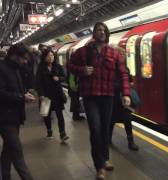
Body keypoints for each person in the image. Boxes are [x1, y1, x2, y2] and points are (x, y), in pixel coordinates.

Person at [67, 22, 131, 180]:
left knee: (104, 129)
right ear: (94, 34)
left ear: (107, 34)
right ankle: (100, 166)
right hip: (90, 96)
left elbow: (123, 74)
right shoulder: (83, 52)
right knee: (95, 129)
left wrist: (126, 94)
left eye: (104, 30)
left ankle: (105, 157)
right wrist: (82, 70)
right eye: (98, 30)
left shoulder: (114, 53)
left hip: (108, 96)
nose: (101, 32)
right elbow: (69, 65)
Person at [0, 43, 35, 180]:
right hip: (4, 117)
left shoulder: (15, 68)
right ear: (14, 56)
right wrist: (21, 97)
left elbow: (13, 88)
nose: (25, 62)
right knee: (16, 151)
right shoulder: (1, 68)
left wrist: (25, 93)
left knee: (8, 151)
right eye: (24, 58)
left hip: (14, 116)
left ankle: (5, 176)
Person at [35, 49, 69, 142]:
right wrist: (41, 94)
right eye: (48, 56)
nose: (51, 57)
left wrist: (59, 78)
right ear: (44, 57)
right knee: (46, 115)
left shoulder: (58, 66)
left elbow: (64, 77)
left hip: (57, 94)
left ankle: (63, 134)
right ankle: (49, 131)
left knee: (60, 114)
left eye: (52, 55)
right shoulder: (40, 68)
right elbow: (38, 82)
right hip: (46, 95)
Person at [109, 67, 139, 151]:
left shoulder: (125, 69)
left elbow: (130, 80)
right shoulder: (110, 69)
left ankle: (131, 142)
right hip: (113, 100)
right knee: (111, 121)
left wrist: (128, 85)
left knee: (127, 121)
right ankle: (108, 139)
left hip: (124, 101)